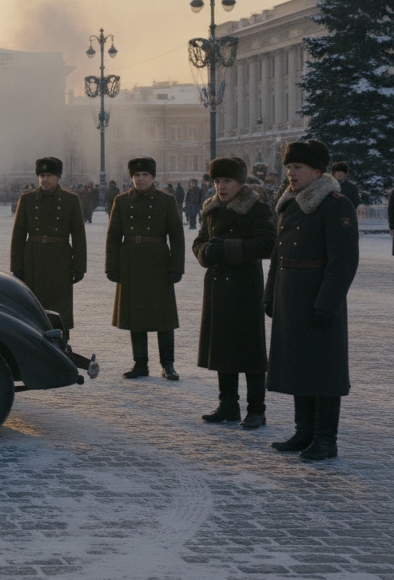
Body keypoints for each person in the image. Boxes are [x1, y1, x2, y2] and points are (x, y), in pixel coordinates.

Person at [265, 139, 358, 461]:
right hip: (290, 297)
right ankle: (303, 431)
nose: (290, 173)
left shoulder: (335, 205)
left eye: (297, 168)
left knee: (324, 371)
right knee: (298, 366)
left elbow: (343, 262)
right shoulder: (290, 203)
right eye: (289, 167)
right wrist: (270, 293)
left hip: (318, 297)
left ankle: (325, 439)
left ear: (317, 172)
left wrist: (327, 303)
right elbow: (279, 254)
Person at [193, 157, 276, 428]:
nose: (221, 186)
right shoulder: (211, 209)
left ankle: (256, 409)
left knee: (250, 350)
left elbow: (267, 245)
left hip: (244, 286)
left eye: (227, 181)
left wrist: (229, 248)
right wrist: (205, 252)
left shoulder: (257, 209)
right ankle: (228, 404)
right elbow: (199, 241)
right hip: (217, 284)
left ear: (241, 182)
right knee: (223, 347)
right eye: (217, 181)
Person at [106, 156, 186, 380]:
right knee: (136, 314)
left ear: (153, 177)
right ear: (131, 177)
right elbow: (113, 237)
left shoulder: (166, 201)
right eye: (136, 176)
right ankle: (140, 363)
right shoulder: (121, 201)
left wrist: (176, 267)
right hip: (130, 260)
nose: (140, 180)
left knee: (164, 316)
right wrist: (112, 266)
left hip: (158, 260)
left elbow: (177, 237)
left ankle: (168, 364)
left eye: (145, 175)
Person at [9, 158, 86, 339]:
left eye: (49, 176)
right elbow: (18, 235)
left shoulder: (70, 200)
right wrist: (17, 265)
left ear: (58, 177)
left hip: (60, 259)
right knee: (34, 308)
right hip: (33, 259)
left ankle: (62, 344)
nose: (44, 180)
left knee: (61, 308)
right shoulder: (27, 200)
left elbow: (79, 236)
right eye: (41, 176)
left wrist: (79, 266)